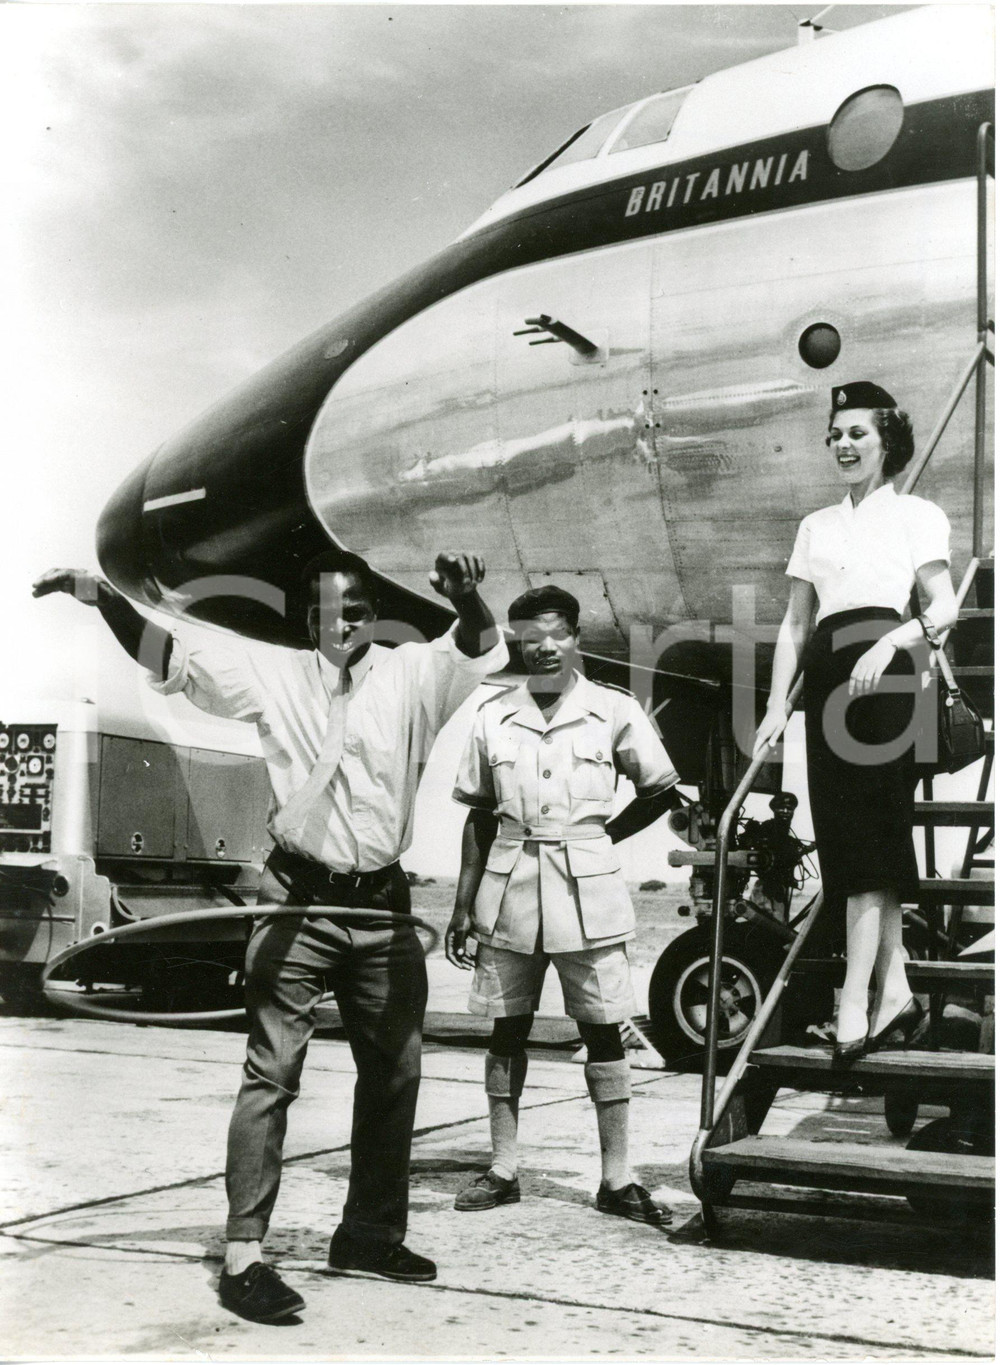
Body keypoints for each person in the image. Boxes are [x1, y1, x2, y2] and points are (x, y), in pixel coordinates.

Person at [33, 549, 507, 1321]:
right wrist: (101, 597)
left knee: (394, 1073)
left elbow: (479, 646)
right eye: (327, 610)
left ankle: (369, 1233)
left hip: (381, 907)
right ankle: (245, 1253)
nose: (343, 621)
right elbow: (173, 657)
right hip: (297, 899)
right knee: (272, 1072)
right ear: (307, 618)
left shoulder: (414, 674)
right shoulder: (274, 675)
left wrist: (469, 597)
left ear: (372, 612)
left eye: (355, 608)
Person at [445, 585, 683, 1223]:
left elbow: (661, 788)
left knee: (604, 1031)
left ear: (577, 638)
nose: (544, 648)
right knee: (507, 1030)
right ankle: (502, 1168)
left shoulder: (614, 710)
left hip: (589, 891)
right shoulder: (493, 715)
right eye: (530, 637)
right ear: (517, 641)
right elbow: (477, 817)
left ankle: (617, 1178)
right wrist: (462, 906)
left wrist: (603, 838)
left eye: (557, 635)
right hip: (509, 889)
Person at [754, 382, 958, 1063]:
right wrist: (775, 705)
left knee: (866, 839)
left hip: (886, 677)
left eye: (858, 434)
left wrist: (890, 642)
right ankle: (894, 989)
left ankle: (851, 1001)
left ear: (888, 441)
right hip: (830, 678)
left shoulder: (918, 515)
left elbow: (944, 606)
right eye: (835, 434)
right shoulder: (815, 525)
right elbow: (793, 622)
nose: (844, 444)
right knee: (849, 833)